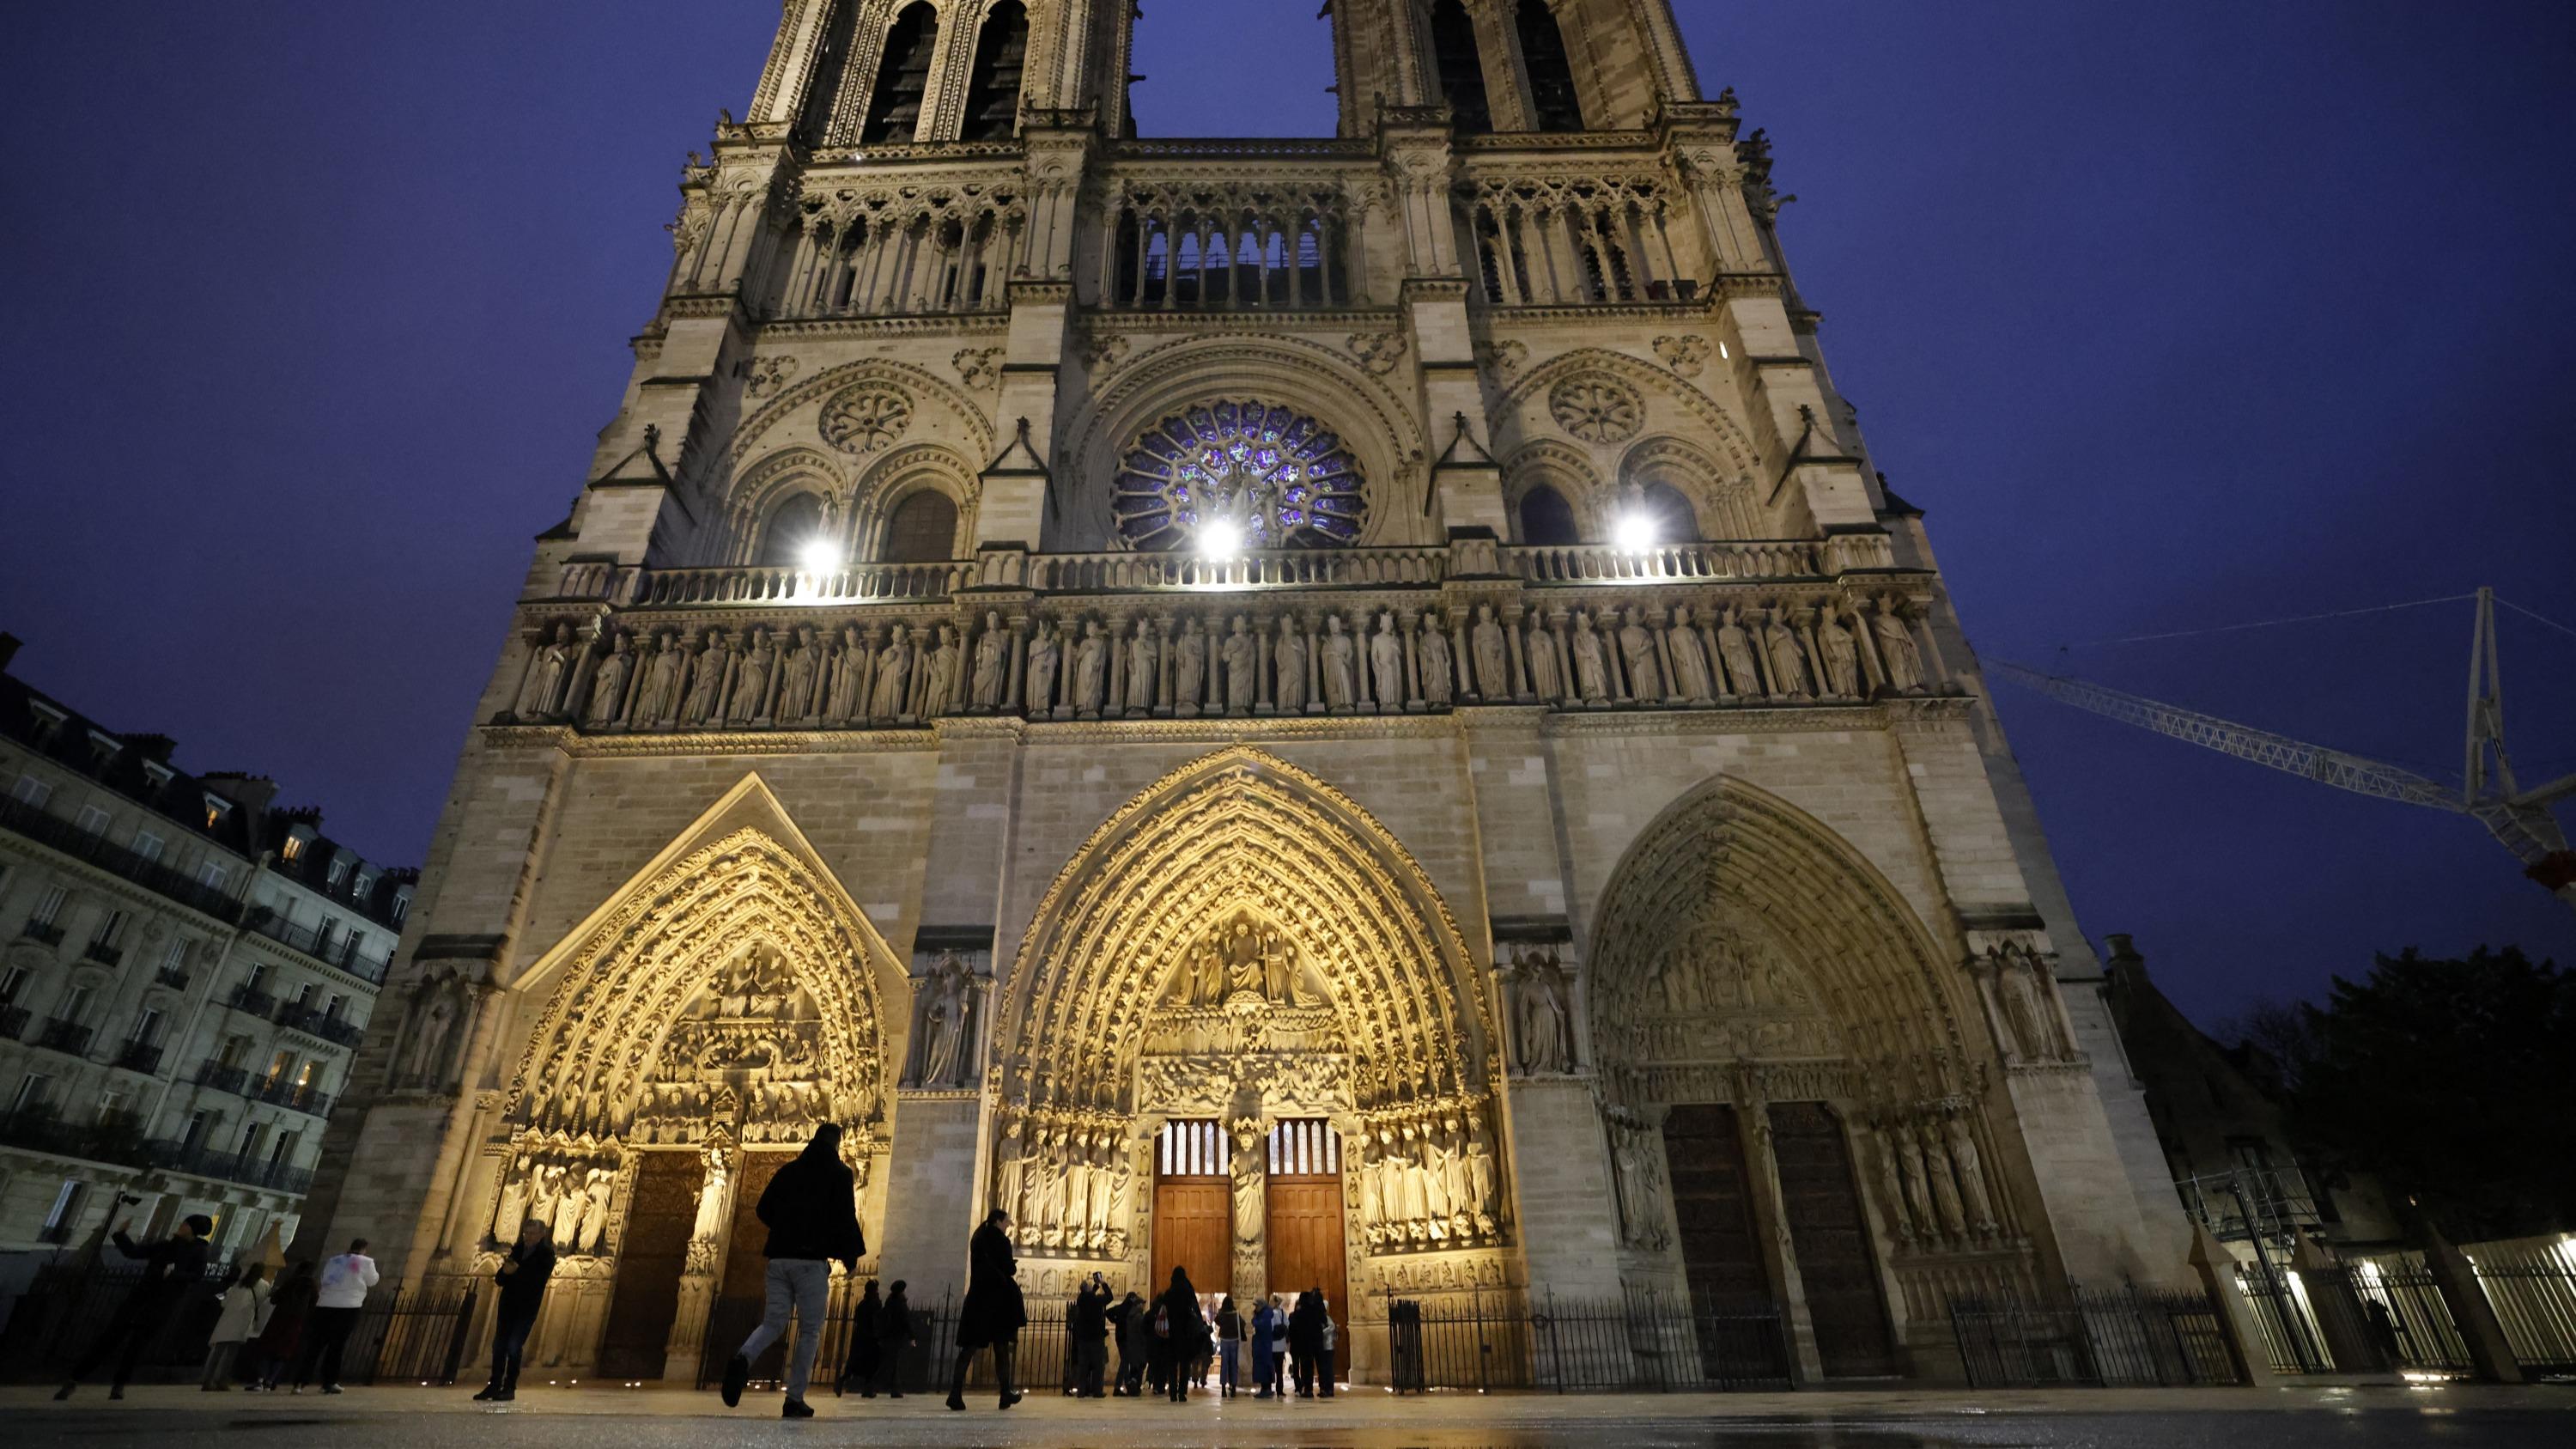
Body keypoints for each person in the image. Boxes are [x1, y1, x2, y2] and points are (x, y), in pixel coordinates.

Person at [720, 1123, 865, 1420]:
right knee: (809, 1331)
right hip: (810, 1263)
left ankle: (742, 1358)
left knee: (773, 1322)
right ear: (836, 1143)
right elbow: (845, 1216)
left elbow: (763, 1209)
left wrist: (785, 1227)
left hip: (778, 1258)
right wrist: (849, 1256)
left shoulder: (789, 1170)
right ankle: (794, 1398)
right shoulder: (839, 1174)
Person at [56, 1212, 216, 1400]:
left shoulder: (198, 1252)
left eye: (186, 1224)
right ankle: (75, 1379)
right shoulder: (166, 1245)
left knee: (135, 1347)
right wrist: (121, 1235)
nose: (181, 1226)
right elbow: (134, 1252)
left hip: (161, 1304)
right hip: (140, 1298)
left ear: (193, 1230)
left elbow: (197, 1276)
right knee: (109, 1339)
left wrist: (173, 1275)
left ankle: (118, 1384)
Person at [948, 1208, 1025, 1411]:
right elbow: (1009, 1268)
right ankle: (1005, 1393)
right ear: (998, 1221)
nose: (1008, 1226)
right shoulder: (1001, 1241)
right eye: (1007, 1222)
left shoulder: (978, 1237)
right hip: (998, 1301)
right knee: (1001, 1348)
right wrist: (1011, 1266)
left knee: (969, 1348)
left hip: (978, 1298)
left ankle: (955, 1393)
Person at [474, 1217, 556, 1402]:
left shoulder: (547, 1255)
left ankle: (509, 1387)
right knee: (499, 1345)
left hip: (527, 1307)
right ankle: (494, 1385)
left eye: (533, 1233)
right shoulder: (517, 1250)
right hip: (508, 1304)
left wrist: (516, 1272)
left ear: (542, 1234)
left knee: (513, 1345)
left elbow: (538, 1280)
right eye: (526, 1233)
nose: (528, 1236)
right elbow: (500, 1279)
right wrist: (505, 1272)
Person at [290, 1238, 379, 1393]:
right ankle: (329, 1382)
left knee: (315, 1346)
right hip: (348, 1306)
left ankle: (299, 1383)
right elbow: (372, 1281)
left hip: (325, 1304)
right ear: (364, 1249)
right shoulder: (366, 1262)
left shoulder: (334, 1260)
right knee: (336, 1347)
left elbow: (324, 1279)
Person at [247, 1261, 317, 1391]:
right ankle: (270, 1381)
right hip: (296, 1322)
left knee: (268, 1349)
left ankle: (260, 1380)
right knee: (283, 1353)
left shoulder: (291, 1282)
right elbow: (313, 1306)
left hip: (280, 1318)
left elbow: (275, 1299)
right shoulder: (312, 1286)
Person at [203, 1263, 270, 1391]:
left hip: (227, 1319)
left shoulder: (239, 1283)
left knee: (218, 1352)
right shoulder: (264, 1285)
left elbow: (224, 1302)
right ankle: (222, 1380)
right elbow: (261, 1303)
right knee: (231, 1354)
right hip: (243, 1321)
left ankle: (207, 1380)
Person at [1156, 1267, 1208, 1403]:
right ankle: (1182, 1393)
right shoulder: (1188, 1291)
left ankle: (1173, 1393)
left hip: (1171, 1335)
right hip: (1186, 1334)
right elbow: (1194, 1310)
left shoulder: (1169, 1293)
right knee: (1185, 1365)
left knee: (1172, 1365)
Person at [838, 1280, 882, 1396]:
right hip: (870, 1338)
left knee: (854, 1363)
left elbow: (857, 1319)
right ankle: (867, 1389)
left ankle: (842, 1380)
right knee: (872, 1363)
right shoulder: (875, 1303)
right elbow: (878, 1319)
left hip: (859, 1336)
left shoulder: (862, 1304)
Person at [874, 1279, 915, 1398]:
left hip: (888, 1337)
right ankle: (873, 1386)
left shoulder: (890, 1302)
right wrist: (912, 1336)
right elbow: (906, 1321)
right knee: (889, 1364)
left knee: (891, 1363)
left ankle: (895, 1389)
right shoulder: (900, 1303)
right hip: (896, 1337)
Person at [1070, 1274, 1109, 1398]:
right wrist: (1102, 1283)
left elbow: (1087, 1296)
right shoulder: (1096, 1301)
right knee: (1098, 1366)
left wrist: (1094, 1287)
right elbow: (1110, 1296)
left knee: (1083, 1366)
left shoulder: (1081, 1300)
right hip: (1096, 1338)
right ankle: (1097, 1391)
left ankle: (1081, 1391)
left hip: (1083, 1338)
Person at [1110, 1289, 1147, 1397]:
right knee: (1127, 1363)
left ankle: (1128, 1385)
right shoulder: (1133, 1314)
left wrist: (1116, 1320)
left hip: (1126, 1340)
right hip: (1129, 1341)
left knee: (1128, 1364)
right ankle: (1125, 1387)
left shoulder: (1127, 1312)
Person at [1288, 1288, 1324, 1397]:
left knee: (1306, 1367)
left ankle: (1308, 1389)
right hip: (1316, 1342)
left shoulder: (1299, 1313)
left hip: (1304, 1344)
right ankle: (1323, 1388)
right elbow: (1322, 1322)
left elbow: (1293, 1328)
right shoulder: (1315, 1310)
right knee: (1318, 1366)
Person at [1248, 1294, 1277, 1399]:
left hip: (1263, 1346)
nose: (1255, 1308)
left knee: (1264, 1367)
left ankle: (1266, 1389)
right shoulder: (1264, 1313)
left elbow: (1260, 1326)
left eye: (1256, 1306)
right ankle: (1265, 1389)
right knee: (1264, 1367)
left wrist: (1254, 1320)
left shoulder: (1265, 1314)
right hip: (1262, 1345)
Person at [1215, 1294, 1243, 1397]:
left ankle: (1223, 1389)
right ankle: (1233, 1388)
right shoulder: (1235, 1314)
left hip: (1224, 1340)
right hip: (1234, 1340)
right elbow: (1242, 1323)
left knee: (1224, 1365)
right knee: (1233, 1364)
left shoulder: (1221, 1314)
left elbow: (1216, 1321)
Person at [1265, 1294, 1289, 1398]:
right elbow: (1287, 1324)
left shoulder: (1272, 1313)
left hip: (1272, 1345)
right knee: (1279, 1370)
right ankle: (1280, 1391)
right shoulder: (1283, 1312)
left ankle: (1269, 1388)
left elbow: (1270, 1327)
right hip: (1281, 1345)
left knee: (1270, 1368)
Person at [1314, 1291, 1337, 1398]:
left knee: (1328, 1369)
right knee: (1324, 1369)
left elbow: (1332, 1327)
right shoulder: (1323, 1317)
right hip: (1323, 1346)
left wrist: (1321, 1332)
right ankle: (1325, 1388)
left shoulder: (1327, 1318)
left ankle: (1329, 1389)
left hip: (1328, 1346)